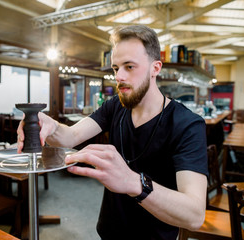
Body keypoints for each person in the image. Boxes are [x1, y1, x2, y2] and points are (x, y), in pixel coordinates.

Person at [17, 25, 208, 240]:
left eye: (129, 67)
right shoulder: (116, 106)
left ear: (155, 68)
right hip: (108, 233)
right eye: (116, 68)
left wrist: (133, 182)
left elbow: (195, 214)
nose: (119, 76)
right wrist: (48, 124)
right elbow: (70, 136)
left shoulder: (188, 125)